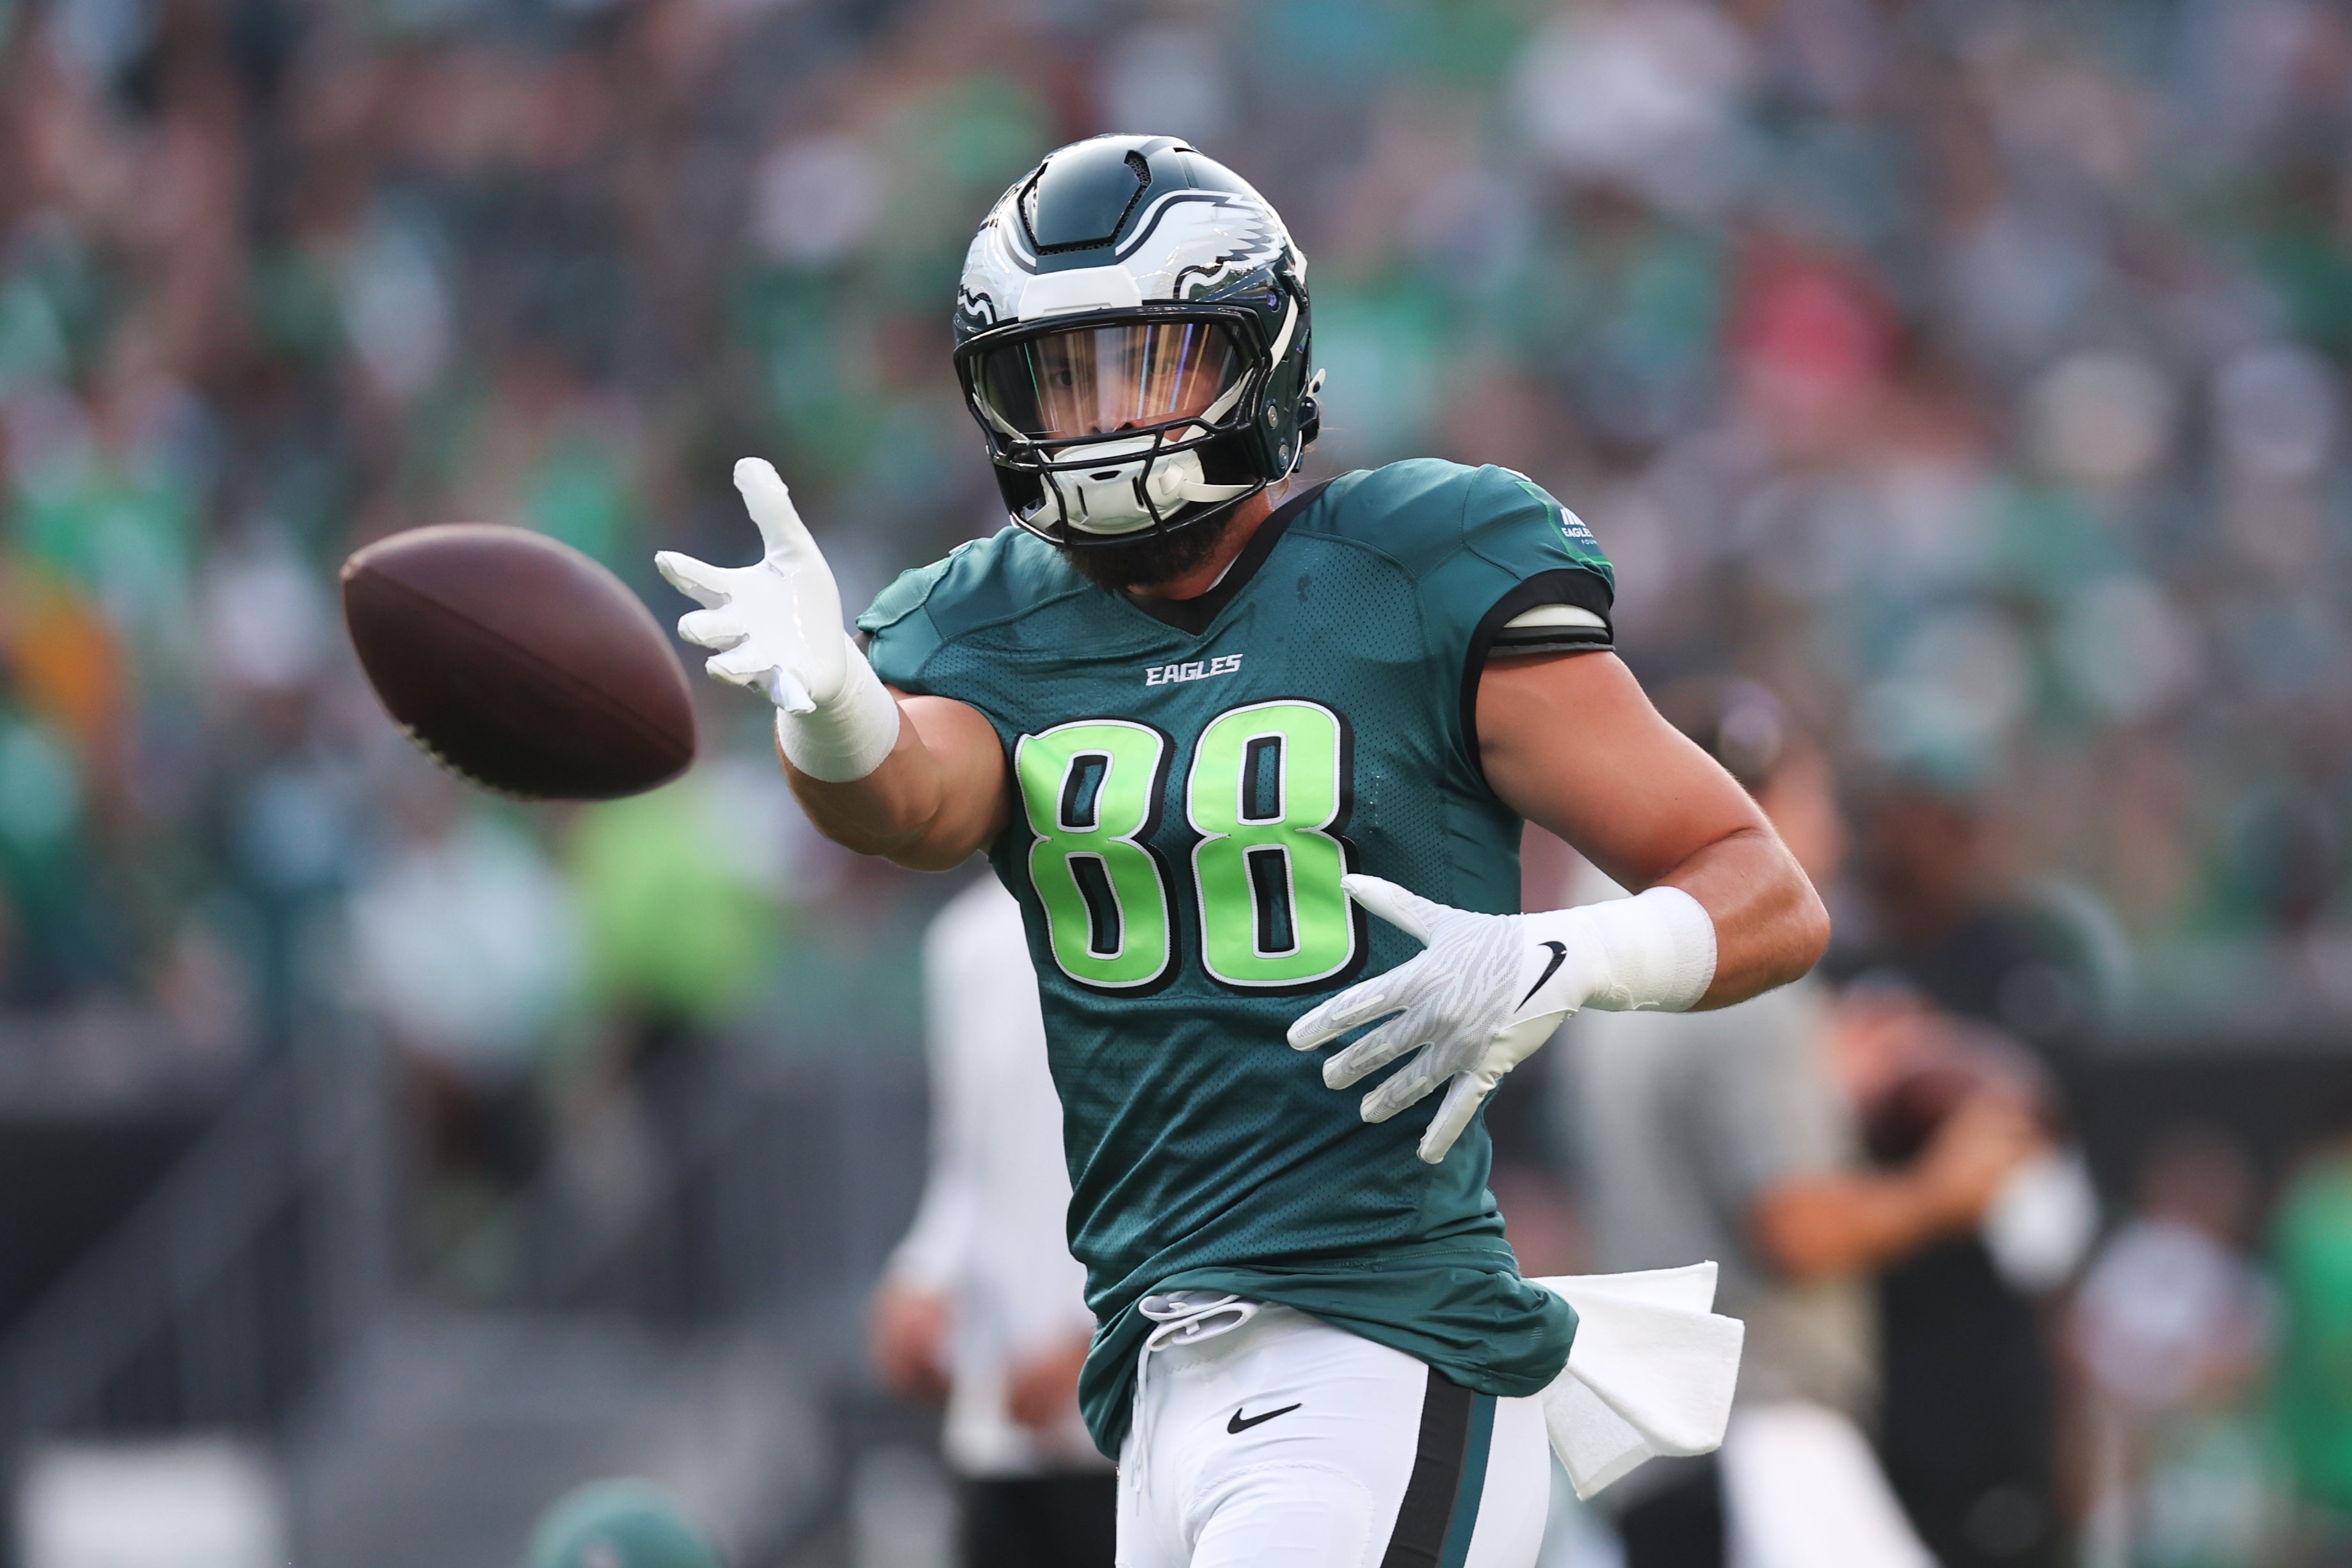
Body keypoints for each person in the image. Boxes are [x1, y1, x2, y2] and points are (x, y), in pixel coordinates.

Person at [656, 135, 1827, 1567]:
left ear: (1254, 356)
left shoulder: (1415, 566)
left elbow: (1764, 891)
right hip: (1153, 1369)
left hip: (1380, 1339)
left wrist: (1564, 956)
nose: (1099, 417)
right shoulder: (986, 618)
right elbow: (908, 803)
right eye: (1059, 377)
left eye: (1140, 363)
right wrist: (832, 706)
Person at [1560, 682, 2047, 1568]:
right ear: (1756, 811)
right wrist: (1944, 1189)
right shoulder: (1746, 967)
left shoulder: (1617, 958)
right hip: (1760, 1430)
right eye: (1813, 798)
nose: (1835, 831)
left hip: (1651, 1435)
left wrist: (1819, 1087)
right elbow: (1792, 1225)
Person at [871, 874, 1116, 1567]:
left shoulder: (1173, 901)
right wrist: (920, 1280)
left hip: (1140, 1421)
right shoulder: (965, 937)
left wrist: (1101, 1333)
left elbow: (1198, 1155)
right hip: (1000, 1433)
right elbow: (967, 1164)